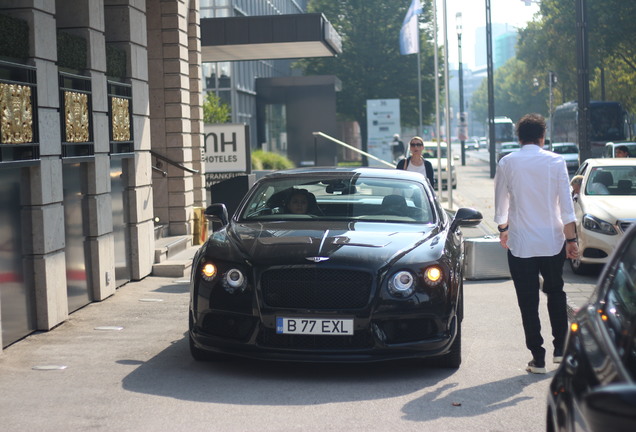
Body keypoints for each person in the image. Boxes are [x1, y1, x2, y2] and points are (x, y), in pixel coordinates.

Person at [494, 113, 579, 374]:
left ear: (518, 137)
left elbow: (500, 206)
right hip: (552, 240)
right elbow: (567, 206)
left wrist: (504, 229)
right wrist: (572, 240)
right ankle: (561, 350)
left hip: (520, 243)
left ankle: (538, 357)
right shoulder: (556, 162)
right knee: (556, 292)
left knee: (527, 301)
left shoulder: (507, 162)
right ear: (543, 137)